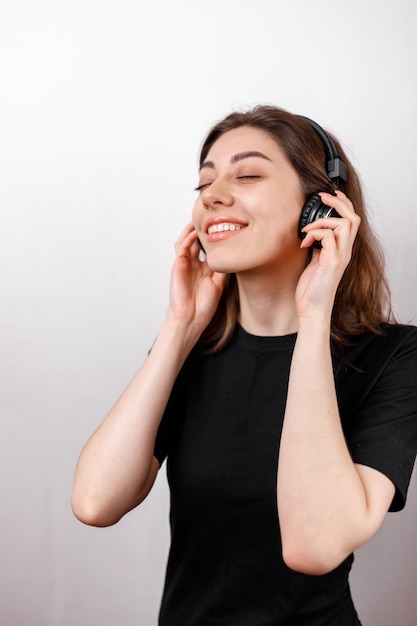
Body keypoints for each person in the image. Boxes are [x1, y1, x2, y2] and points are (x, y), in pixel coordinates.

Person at [72, 105, 417, 625]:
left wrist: (314, 314)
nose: (211, 195)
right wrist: (179, 327)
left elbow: (314, 546)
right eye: (204, 182)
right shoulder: (192, 348)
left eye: (248, 174)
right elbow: (96, 502)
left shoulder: (396, 355)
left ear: (321, 206)